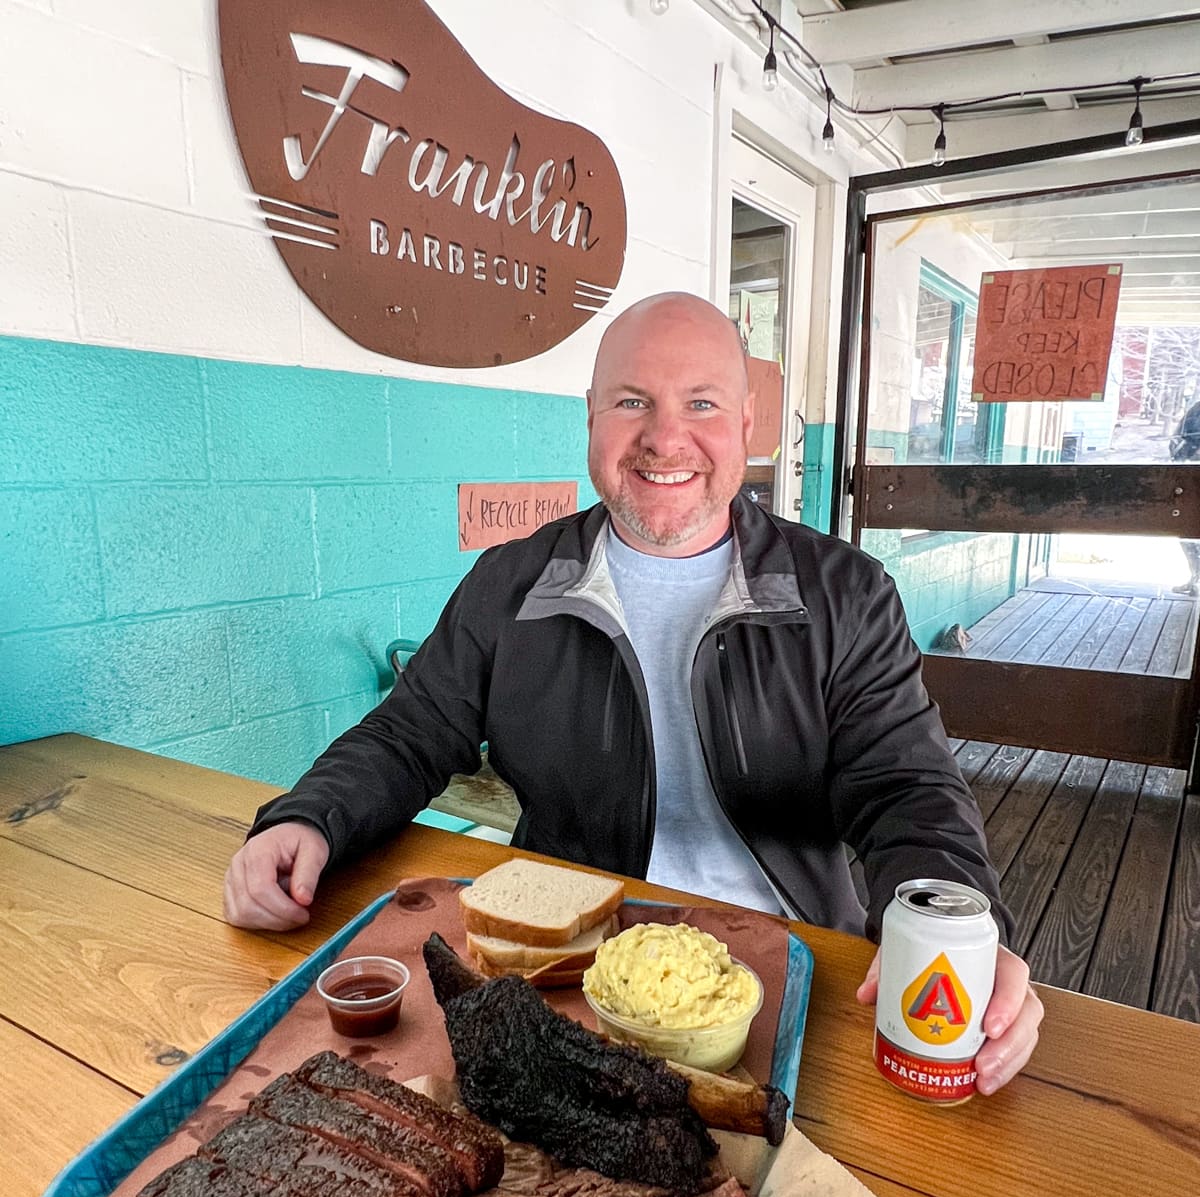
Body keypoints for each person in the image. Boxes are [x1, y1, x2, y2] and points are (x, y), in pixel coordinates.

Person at [224, 292, 1043, 1094]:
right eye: (631, 401)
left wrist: (962, 934)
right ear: (590, 415)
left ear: (747, 423)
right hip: (571, 977)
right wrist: (308, 817)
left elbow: (907, 788)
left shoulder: (845, 595)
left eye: (701, 402)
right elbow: (410, 732)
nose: (664, 436)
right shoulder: (511, 585)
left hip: (793, 973)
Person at [1170, 395, 1200, 595]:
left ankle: (1195, 578)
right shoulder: (1197, 410)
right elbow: (1179, 441)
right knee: (1187, 534)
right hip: (1191, 481)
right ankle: (1195, 577)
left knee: (1188, 533)